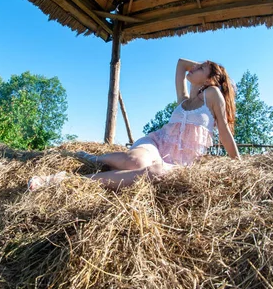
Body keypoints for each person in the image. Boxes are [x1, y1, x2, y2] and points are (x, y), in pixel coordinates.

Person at [28, 58, 241, 191]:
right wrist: (203, 70)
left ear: (211, 79)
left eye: (201, 67)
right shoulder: (183, 99)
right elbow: (180, 63)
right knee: (134, 162)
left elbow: (223, 131)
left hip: (179, 164)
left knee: (155, 172)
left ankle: (67, 180)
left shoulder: (212, 95)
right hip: (156, 144)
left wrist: (239, 164)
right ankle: (93, 158)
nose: (194, 67)